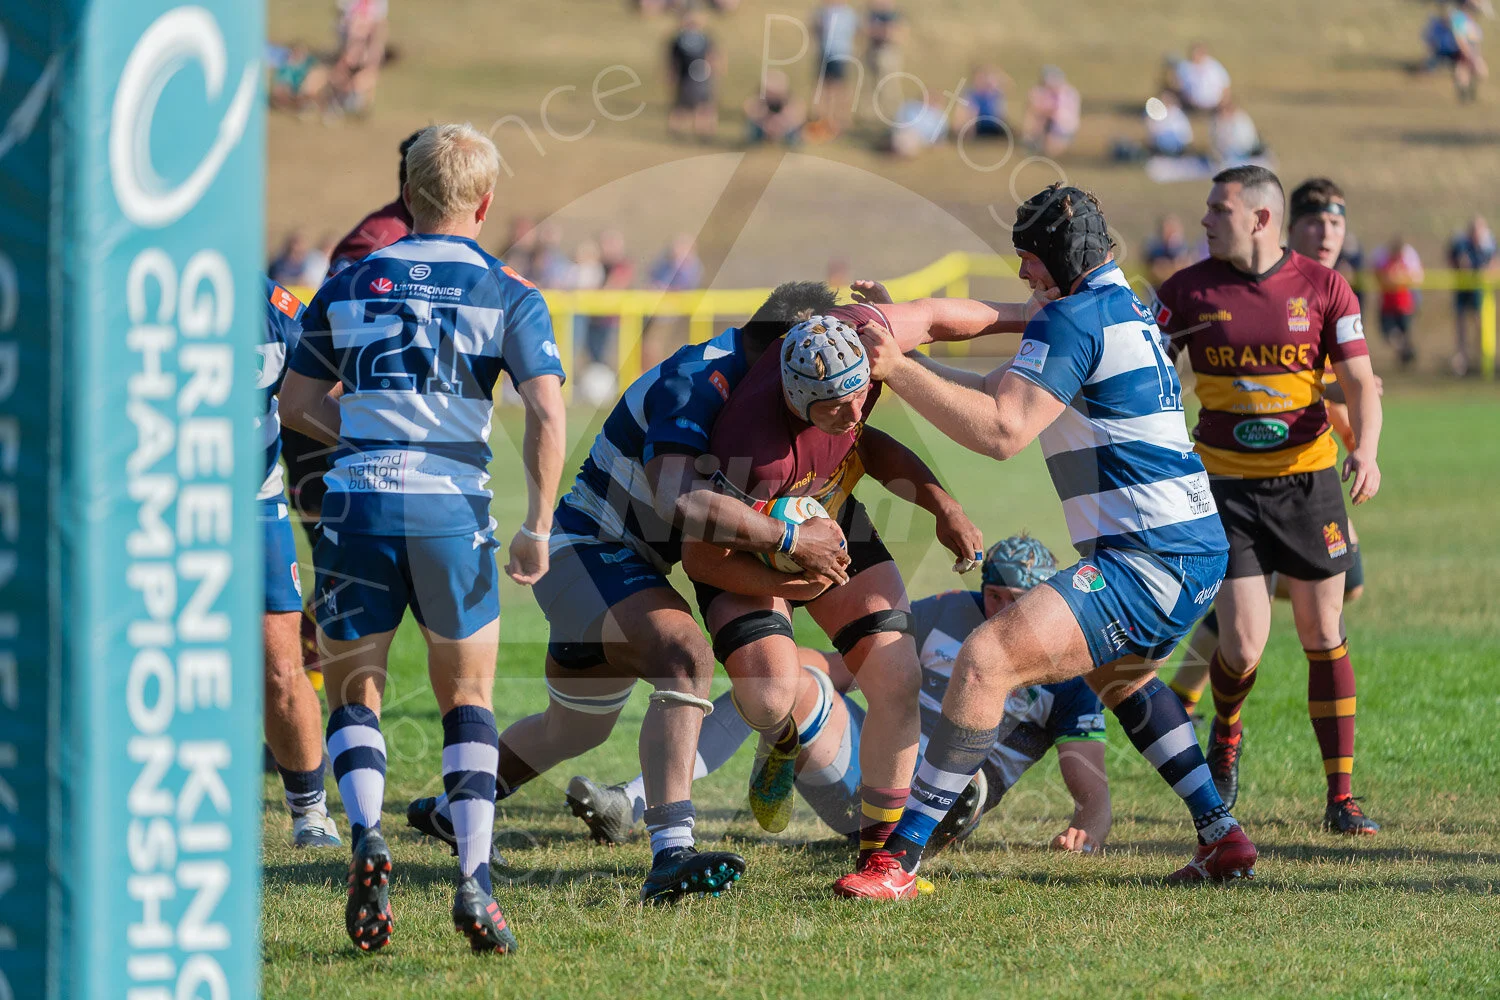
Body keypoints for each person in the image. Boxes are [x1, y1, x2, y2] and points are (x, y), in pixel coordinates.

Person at [834, 183, 1256, 898]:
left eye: (1028, 260)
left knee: (987, 657)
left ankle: (897, 860)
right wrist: (899, 365)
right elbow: (997, 389)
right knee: (1119, 677)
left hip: (1149, 556)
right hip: (1190, 546)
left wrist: (896, 368)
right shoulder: (1124, 308)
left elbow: (1002, 430)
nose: (1024, 275)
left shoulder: (1072, 318)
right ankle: (1222, 836)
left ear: (1057, 260)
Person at [404, 282, 856, 904]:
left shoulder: (759, 391)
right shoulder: (698, 381)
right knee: (685, 657)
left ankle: (455, 809)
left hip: (623, 565)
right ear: (783, 352)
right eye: (813, 360)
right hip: (586, 552)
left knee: (573, 728)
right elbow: (679, 499)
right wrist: (788, 537)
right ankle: (672, 853)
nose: (823, 374)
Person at [279, 123, 567, 954]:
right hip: (451, 510)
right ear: (485, 203)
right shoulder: (508, 290)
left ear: (406, 197)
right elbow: (548, 411)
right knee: (467, 700)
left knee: (353, 691)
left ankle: (366, 834)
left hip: (356, 503)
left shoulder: (349, 280)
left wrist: (370, 433)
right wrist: (537, 527)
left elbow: (296, 403)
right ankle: (474, 880)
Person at [679, 287, 1065, 880]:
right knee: (768, 697)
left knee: (896, 676)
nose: (855, 410)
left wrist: (1032, 317)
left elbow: (933, 322)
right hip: (751, 540)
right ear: (795, 400)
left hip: (824, 514)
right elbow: (702, 561)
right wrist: (790, 571)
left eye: (860, 392)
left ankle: (878, 853)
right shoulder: (753, 455)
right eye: (834, 406)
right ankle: (782, 737)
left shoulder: (861, 338)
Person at [568, 535, 1112, 856]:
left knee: (962, 778)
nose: (1001, 611)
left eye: (1019, 601)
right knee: (778, 683)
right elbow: (840, 669)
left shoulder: (1067, 666)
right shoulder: (947, 609)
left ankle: (913, 821)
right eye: (995, 594)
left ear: (1045, 600)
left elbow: (1091, 780)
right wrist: (759, 670)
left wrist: (1089, 823)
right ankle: (633, 802)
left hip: (953, 796)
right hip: (871, 765)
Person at [1152, 166, 1383, 838]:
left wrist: (1364, 451)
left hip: (1310, 483)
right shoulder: (1186, 291)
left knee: (1323, 633)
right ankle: (1226, 729)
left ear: (1260, 218)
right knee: (1244, 644)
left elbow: (1361, 383)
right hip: (1224, 486)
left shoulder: (1323, 287)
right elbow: (1149, 375)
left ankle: (1341, 800)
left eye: (1217, 209)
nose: (1204, 220)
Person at [258, 278, 341, 849]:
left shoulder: (271, 306)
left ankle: (310, 814)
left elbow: (329, 380)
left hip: (251, 509)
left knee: (282, 669)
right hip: (141, 509)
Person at [1448, 215, 1496, 376]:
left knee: (1480, 323)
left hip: (1479, 290)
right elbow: (1460, 262)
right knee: (1461, 326)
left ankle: (1483, 360)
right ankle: (1462, 361)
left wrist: (1487, 270)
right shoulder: (1462, 243)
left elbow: (1494, 263)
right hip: (1464, 289)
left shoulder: (1488, 244)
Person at [666, 7, 721, 140]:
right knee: (682, 106)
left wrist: (714, 72)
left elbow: (713, 57)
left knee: (704, 106)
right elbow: (673, 61)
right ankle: (675, 131)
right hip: (685, 78)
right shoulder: (679, 40)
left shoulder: (705, 39)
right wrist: (671, 75)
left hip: (703, 78)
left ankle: (704, 132)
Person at [1370, 235, 1423, 368]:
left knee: (1400, 333)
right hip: (1389, 305)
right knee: (1391, 333)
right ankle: (1406, 351)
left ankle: (1405, 355)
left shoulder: (1406, 261)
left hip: (1403, 305)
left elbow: (1417, 277)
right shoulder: (1385, 261)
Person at [812, 1, 860, 133]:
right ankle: (824, 117)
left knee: (839, 88)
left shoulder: (848, 13)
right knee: (823, 86)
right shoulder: (823, 11)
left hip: (841, 54)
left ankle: (842, 119)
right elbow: (816, 29)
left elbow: (856, 32)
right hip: (824, 53)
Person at [1021, 66, 1081, 158]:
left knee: (1050, 151)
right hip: (1051, 126)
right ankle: (1032, 141)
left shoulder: (1067, 93)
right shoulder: (1046, 92)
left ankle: (1037, 142)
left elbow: (1057, 114)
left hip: (1062, 129)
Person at [744, 70, 808, 145]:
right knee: (753, 129)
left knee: (793, 134)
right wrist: (765, 122)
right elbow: (750, 110)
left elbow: (799, 115)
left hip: (785, 128)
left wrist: (781, 123)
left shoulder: (791, 102)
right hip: (763, 127)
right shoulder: (759, 102)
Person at [954, 66, 1012, 140]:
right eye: (978, 78)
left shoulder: (993, 93)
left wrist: (996, 72)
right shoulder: (970, 94)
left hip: (994, 125)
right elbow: (963, 112)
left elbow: (1009, 84)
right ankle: (968, 136)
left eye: (982, 78)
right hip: (978, 126)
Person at [1174, 42, 1231, 112]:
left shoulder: (1214, 66)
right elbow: (1177, 84)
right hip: (1191, 106)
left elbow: (1225, 85)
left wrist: (1223, 104)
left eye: (1199, 53)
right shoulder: (1185, 67)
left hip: (1214, 107)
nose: (1196, 56)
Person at [888, 93, 949, 158]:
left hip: (917, 139)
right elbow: (898, 120)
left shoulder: (940, 117)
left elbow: (940, 136)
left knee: (908, 141)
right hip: (905, 133)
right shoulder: (911, 107)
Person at [1145, 214, 1193, 288]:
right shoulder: (1155, 250)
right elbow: (1154, 273)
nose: (1169, 233)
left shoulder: (1185, 248)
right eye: (1166, 230)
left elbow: (1185, 271)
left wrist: (1166, 268)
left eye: (1172, 230)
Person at [1209, 98, 1262, 163]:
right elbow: (1215, 144)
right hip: (1226, 157)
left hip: (1244, 154)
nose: (1223, 112)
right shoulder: (1216, 122)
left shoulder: (1241, 120)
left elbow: (1247, 142)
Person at [1146, 90, 1193, 157]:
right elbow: (1152, 132)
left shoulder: (1178, 114)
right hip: (1160, 146)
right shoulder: (1156, 113)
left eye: (1168, 99)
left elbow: (1185, 133)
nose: (1166, 101)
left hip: (1178, 146)